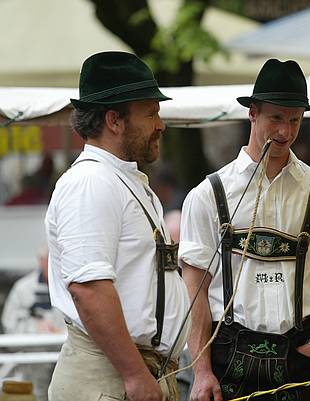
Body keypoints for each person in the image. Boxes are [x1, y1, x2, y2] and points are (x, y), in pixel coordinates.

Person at [179, 58, 310, 401]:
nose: (285, 131)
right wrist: (201, 371)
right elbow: (195, 289)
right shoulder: (208, 195)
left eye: (294, 120)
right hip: (226, 361)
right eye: (276, 118)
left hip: (299, 356)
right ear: (253, 113)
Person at [45, 51, 190, 401]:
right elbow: (88, 288)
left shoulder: (118, 178)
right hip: (111, 378)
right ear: (114, 120)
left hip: (128, 376)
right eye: (151, 113)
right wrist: (134, 374)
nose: (161, 124)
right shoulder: (91, 182)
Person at [1, 247, 65, 401]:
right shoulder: (23, 289)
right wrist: (37, 328)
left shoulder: (72, 286)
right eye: (50, 260)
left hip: (65, 355)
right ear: (41, 261)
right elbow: (10, 327)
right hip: (32, 359)